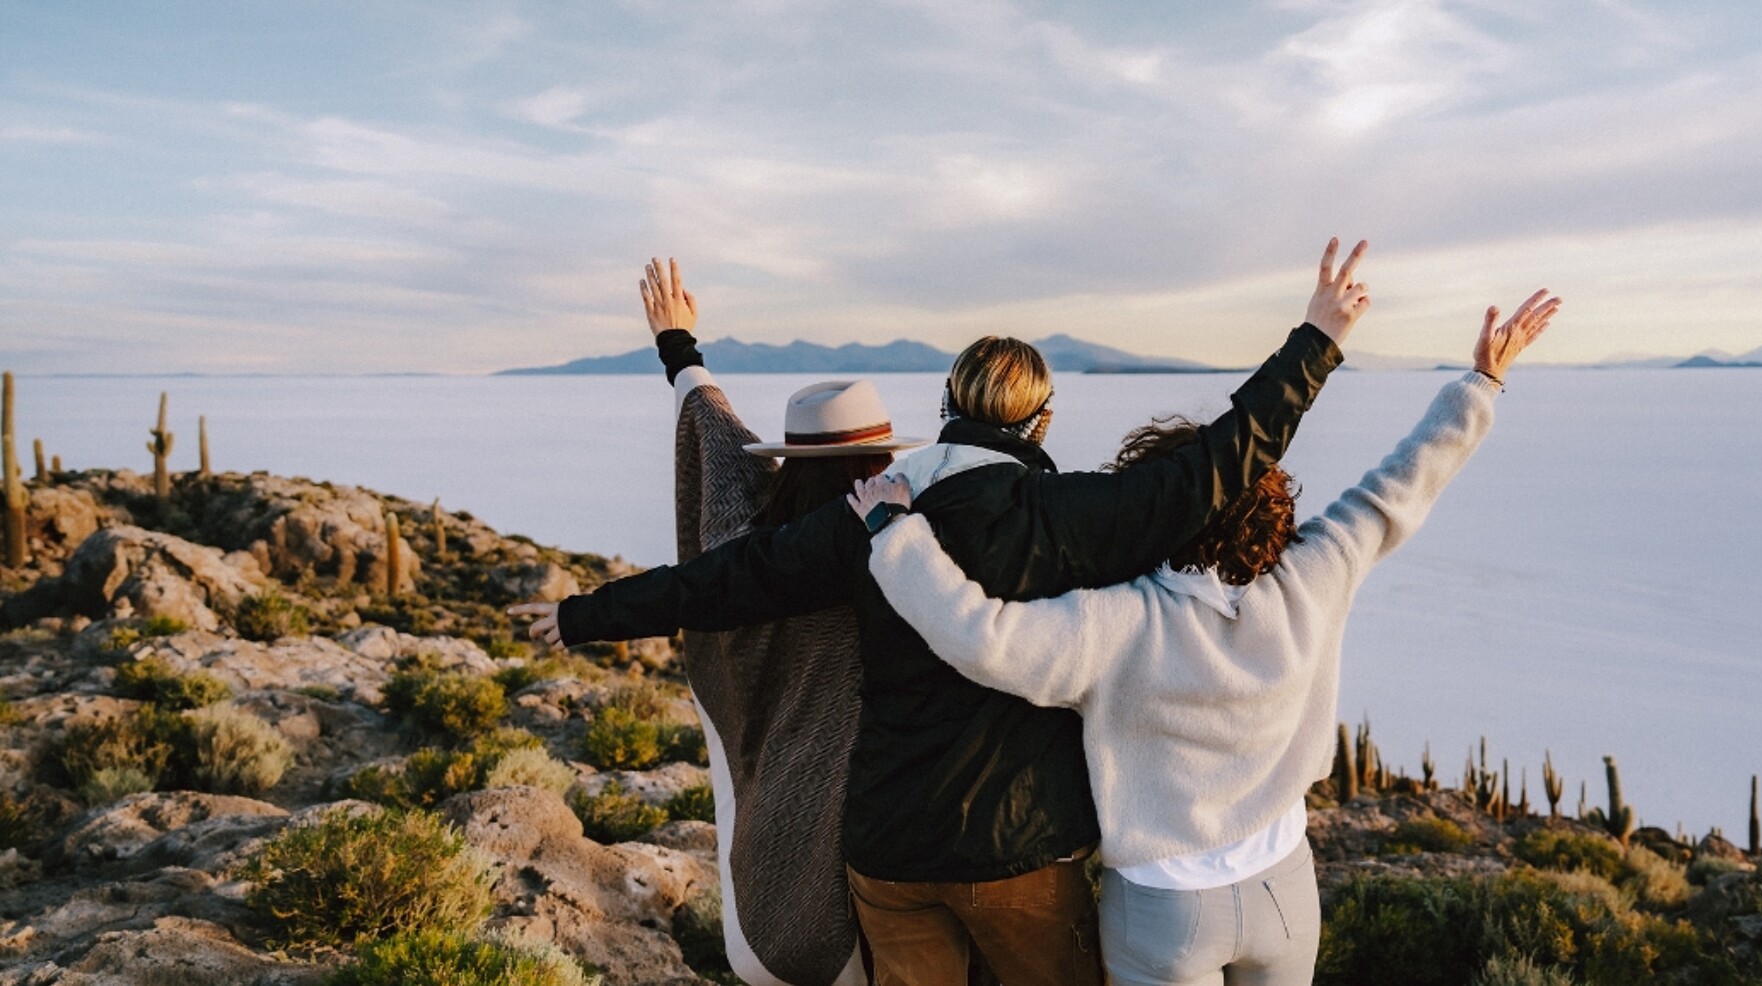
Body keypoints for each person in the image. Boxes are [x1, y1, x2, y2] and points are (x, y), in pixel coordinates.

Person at [516, 238, 1374, 986]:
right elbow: (1219, 464)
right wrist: (1317, 340)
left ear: (946, 410)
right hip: (1022, 856)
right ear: (1041, 419)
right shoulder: (1065, 516)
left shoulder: (865, 518)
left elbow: (718, 579)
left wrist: (586, 616)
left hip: (890, 855)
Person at [850, 289, 1560, 984]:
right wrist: (1483, 381)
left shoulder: (1115, 623)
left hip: (1163, 908)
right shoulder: (1317, 573)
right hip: (1282, 888)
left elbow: (982, 637)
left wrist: (897, 538)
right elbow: (1402, 484)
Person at [515, 259, 927, 986]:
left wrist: (680, 348)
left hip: (785, 788)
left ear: (791, 461)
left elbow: (716, 439)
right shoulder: (909, 540)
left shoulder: (753, 543)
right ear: (883, 456)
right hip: (894, 805)